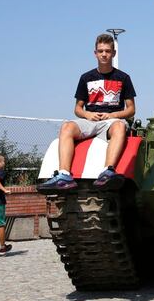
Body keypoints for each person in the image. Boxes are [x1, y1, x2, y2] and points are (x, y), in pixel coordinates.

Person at [39, 33, 136, 192]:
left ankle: (108, 171)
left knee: (119, 127)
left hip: (112, 121)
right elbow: (78, 108)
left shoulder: (123, 78)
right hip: (90, 119)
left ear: (113, 53)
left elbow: (131, 109)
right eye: (100, 51)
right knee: (66, 127)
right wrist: (87, 115)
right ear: (95, 53)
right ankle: (64, 175)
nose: (104, 54)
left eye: (107, 51)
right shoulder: (86, 78)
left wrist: (112, 115)